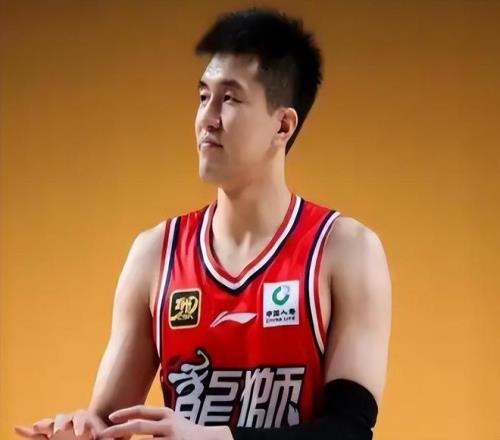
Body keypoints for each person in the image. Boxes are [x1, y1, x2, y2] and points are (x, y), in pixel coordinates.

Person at [15, 7, 391, 440]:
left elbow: (350, 430)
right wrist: (80, 430)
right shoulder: (155, 254)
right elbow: (108, 421)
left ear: (283, 125)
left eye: (229, 99)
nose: (206, 119)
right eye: (203, 97)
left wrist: (215, 436)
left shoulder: (345, 250)